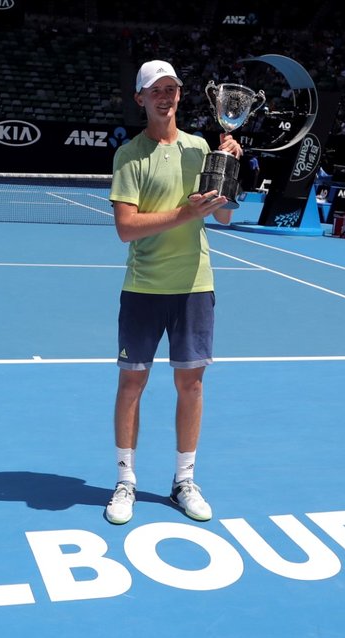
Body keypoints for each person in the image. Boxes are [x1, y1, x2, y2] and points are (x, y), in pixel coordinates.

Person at [105, 60, 242, 526]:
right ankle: (126, 480)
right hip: (143, 287)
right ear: (140, 98)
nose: (166, 96)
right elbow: (126, 229)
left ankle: (184, 480)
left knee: (192, 384)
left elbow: (222, 217)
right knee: (131, 385)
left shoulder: (202, 147)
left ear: (180, 95)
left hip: (194, 286)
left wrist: (230, 171)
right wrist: (186, 213)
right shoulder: (129, 155)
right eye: (155, 90)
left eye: (172, 89)